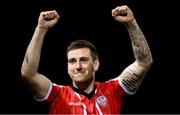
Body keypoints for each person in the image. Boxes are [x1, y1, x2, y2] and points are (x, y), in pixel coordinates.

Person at [21, 5, 153, 114]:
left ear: (95, 64)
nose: (78, 66)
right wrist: (41, 29)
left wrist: (131, 23)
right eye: (72, 61)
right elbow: (28, 73)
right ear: (67, 66)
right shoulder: (57, 95)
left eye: (83, 60)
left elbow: (144, 62)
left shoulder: (113, 90)